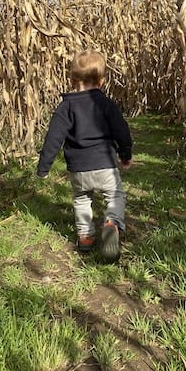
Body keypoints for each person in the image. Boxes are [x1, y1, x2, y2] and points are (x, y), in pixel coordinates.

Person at [37, 50, 132, 261]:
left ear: (72, 80)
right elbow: (121, 131)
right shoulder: (106, 104)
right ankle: (112, 223)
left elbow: (53, 138)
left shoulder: (66, 106)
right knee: (115, 196)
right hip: (105, 164)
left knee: (81, 199)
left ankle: (86, 237)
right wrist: (125, 154)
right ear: (101, 81)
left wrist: (44, 167)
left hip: (78, 168)